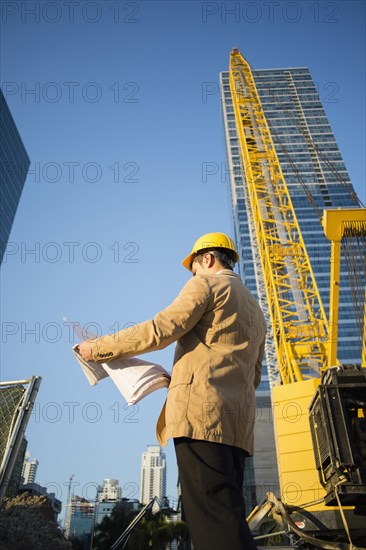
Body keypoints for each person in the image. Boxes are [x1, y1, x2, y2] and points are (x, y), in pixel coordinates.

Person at [78, 232, 266, 550]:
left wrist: (98, 348)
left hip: (200, 420)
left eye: (193, 268)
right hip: (236, 427)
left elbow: (161, 329)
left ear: (206, 259)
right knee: (226, 517)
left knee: (211, 523)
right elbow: (255, 376)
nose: (192, 275)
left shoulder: (206, 284)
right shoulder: (256, 311)